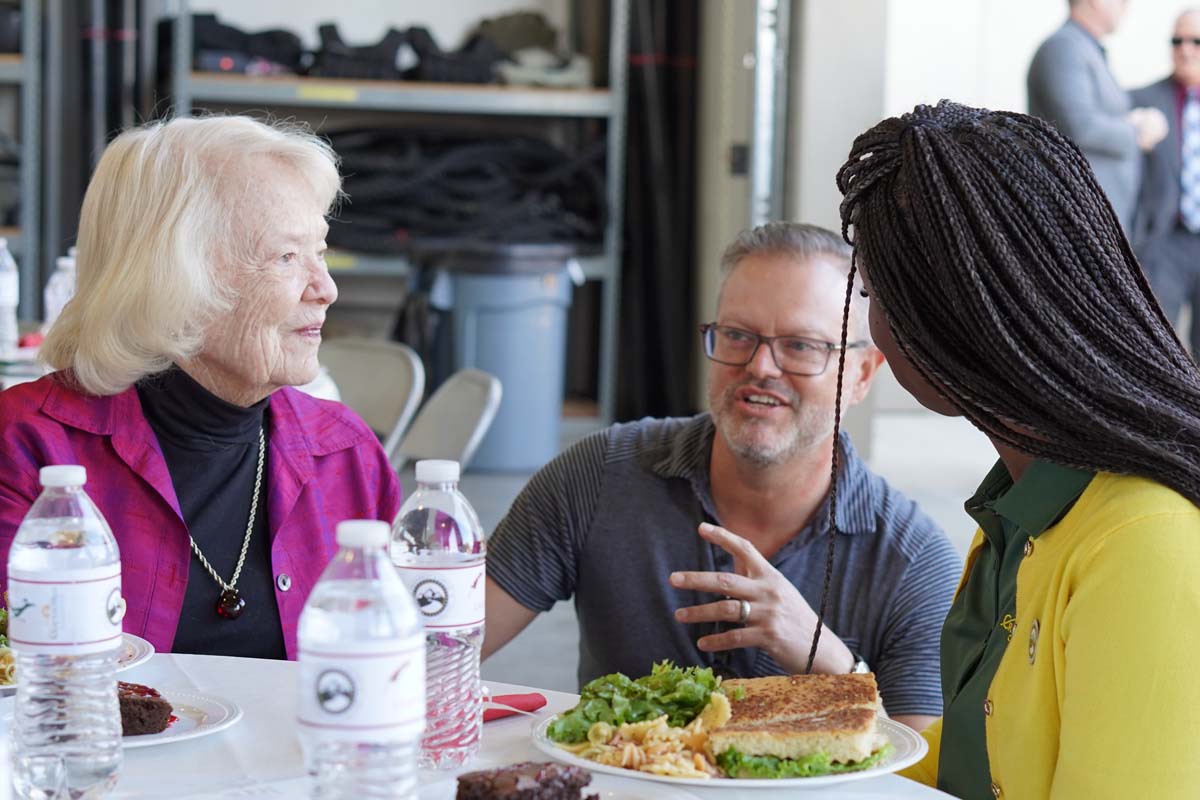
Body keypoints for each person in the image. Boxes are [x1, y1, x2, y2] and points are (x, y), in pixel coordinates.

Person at [837, 100, 1200, 799]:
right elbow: (986, 753)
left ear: (949, 318)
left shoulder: (1147, 543)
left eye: (877, 293)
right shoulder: (1025, 503)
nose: (870, 324)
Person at [482, 222, 962, 731]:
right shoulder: (598, 478)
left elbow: (917, 778)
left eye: (801, 346)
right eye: (737, 335)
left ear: (862, 374)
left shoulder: (913, 562)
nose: (760, 367)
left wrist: (829, 661)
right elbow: (438, 650)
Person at [0, 116, 400, 660]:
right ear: (175, 280)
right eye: (286, 256)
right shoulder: (27, 449)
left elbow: (395, 675)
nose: (325, 288)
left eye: (320, 251)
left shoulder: (347, 456)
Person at [1027, 0, 1167, 231]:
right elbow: (1080, 127)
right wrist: (1138, 132)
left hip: (1095, 219)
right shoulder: (1064, 48)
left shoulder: (1084, 47)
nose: (1126, 6)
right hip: (1076, 220)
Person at [1132, 9, 1200, 355]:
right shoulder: (1140, 101)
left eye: (1195, 41)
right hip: (1164, 243)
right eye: (1177, 40)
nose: (1185, 49)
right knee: (1158, 348)